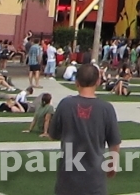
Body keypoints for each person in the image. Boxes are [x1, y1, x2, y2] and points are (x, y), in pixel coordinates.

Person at [49, 63, 121, 195]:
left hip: (68, 177)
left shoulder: (65, 104)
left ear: (77, 82)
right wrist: (112, 164)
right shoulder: (106, 108)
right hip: (95, 179)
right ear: (98, 81)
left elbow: (53, 134)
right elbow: (114, 143)